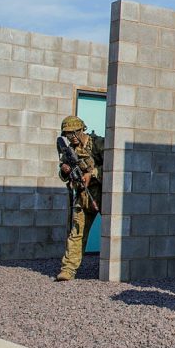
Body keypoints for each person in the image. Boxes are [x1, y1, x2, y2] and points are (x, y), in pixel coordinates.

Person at [55, 116, 103, 282]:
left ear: (81, 130)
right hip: (82, 196)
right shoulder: (69, 152)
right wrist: (65, 169)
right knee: (76, 233)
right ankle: (68, 269)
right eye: (67, 134)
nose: (71, 137)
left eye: (73, 133)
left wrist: (92, 173)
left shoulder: (97, 144)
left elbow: (113, 165)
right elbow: (62, 176)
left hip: (102, 194)